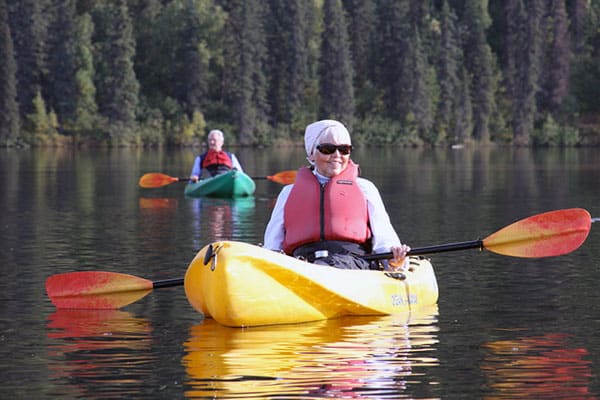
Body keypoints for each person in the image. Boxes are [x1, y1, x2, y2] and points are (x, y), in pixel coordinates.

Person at [264, 119, 410, 271]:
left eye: (344, 149)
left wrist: (394, 259)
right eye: (328, 149)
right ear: (312, 154)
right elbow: (272, 245)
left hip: (351, 263)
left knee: (328, 265)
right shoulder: (288, 193)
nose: (337, 155)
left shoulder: (365, 188)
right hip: (301, 264)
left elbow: (384, 237)